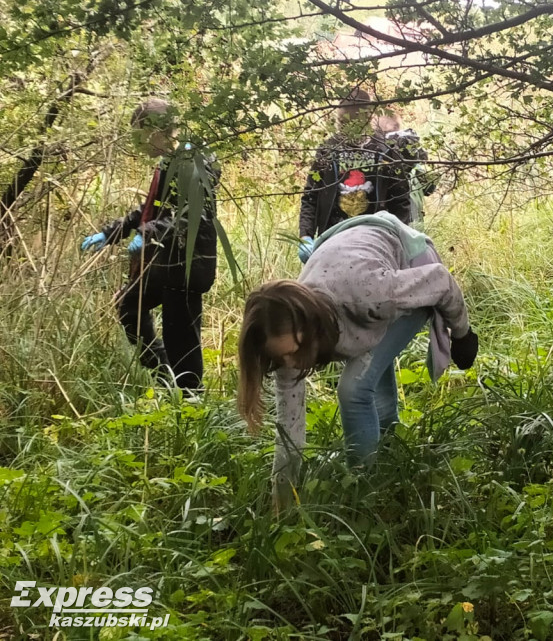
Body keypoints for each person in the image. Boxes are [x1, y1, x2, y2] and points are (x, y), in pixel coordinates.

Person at [236, 212, 479, 510]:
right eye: (280, 356)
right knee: (369, 376)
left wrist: (463, 335)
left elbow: (440, 280)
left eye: (295, 351)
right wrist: (282, 500)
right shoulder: (285, 338)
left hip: (409, 264)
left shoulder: (371, 295)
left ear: (312, 327)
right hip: (355, 271)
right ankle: (391, 454)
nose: (292, 363)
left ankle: (363, 494)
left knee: (354, 389)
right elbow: (290, 426)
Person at [81, 98, 220, 395]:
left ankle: (190, 400)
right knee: (130, 307)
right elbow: (153, 208)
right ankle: (163, 373)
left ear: (156, 130)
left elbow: (192, 213)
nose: (137, 143)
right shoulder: (167, 162)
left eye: (139, 135)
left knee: (181, 336)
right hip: (162, 261)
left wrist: (149, 233)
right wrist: (112, 233)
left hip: (186, 263)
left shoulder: (195, 160)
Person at [298, 89, 413, 262]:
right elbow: (311, 195)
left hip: (375, 239)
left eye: (354, 119)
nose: (348, 126)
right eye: (344, 120)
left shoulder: (385, 150)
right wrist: (305, 236)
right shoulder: (329, 150)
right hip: (332, 237)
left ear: (368, 117)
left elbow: (401, 198)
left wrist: (400, 237)